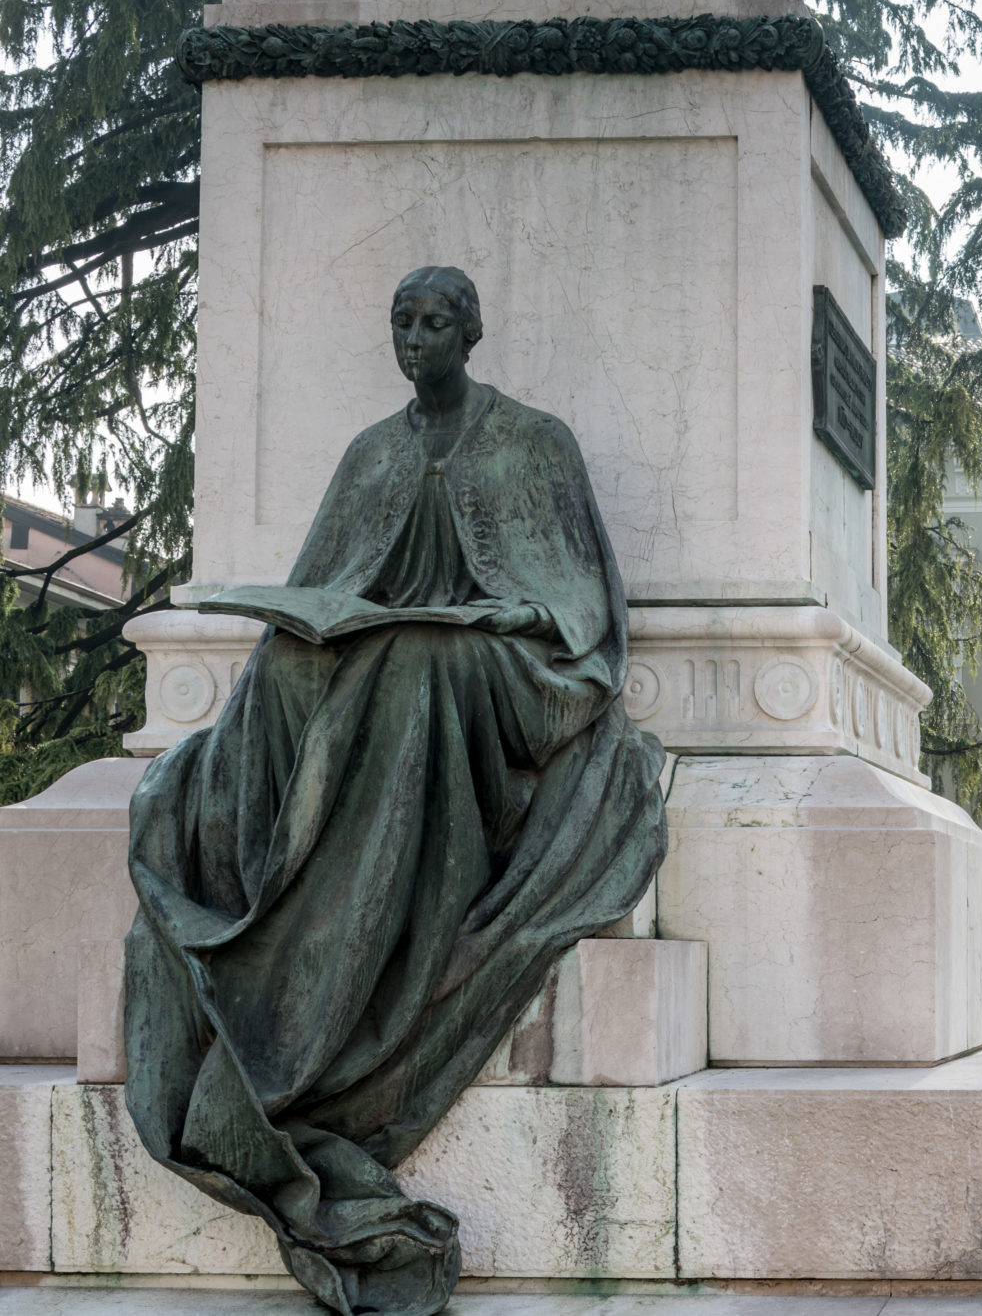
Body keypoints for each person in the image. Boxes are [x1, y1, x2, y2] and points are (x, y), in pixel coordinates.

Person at [124, 266, 668, 1316]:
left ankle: (364, 924)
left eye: (432, 323)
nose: (414, 339)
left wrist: (517, 615)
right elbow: (326, 581)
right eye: (401, 322)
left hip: (506, 675)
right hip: (387, 660)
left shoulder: (532, 438)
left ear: (469, 334)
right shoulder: (370, 450)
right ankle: (285, 894)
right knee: (290, 669)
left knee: (418, 661)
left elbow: (576, 596)